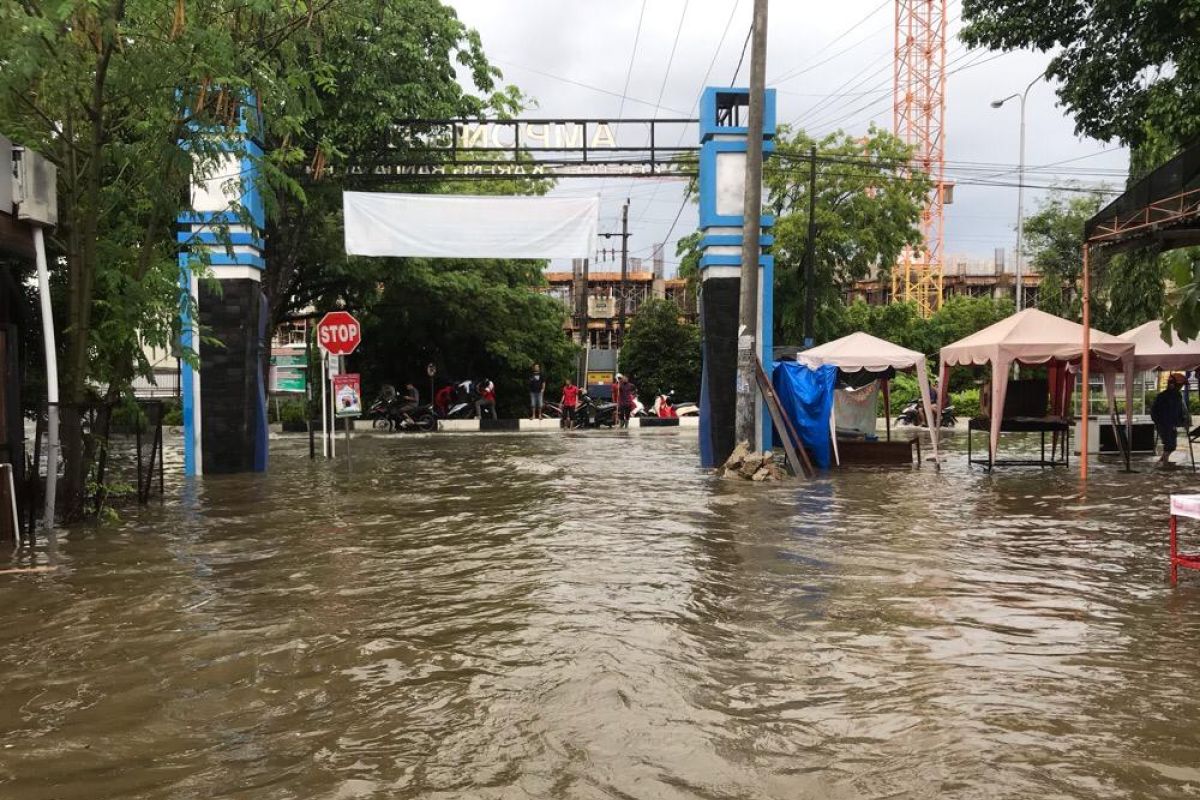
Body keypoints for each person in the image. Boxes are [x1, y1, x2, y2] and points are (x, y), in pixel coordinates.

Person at [1152, 373, 1188, 466]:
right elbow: (1154, 411)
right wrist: (1159, 422)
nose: (1181, 387)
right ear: (1173, 384)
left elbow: (1179, 410)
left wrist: (1182, 421)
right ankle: (1164, 462)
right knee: (1169, 444)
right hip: (1164, 424)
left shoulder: (1178, 396)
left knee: (1172, 444)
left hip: (1171, 424)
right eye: (1180, 385)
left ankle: (1162, 460)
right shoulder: (1162, 396)